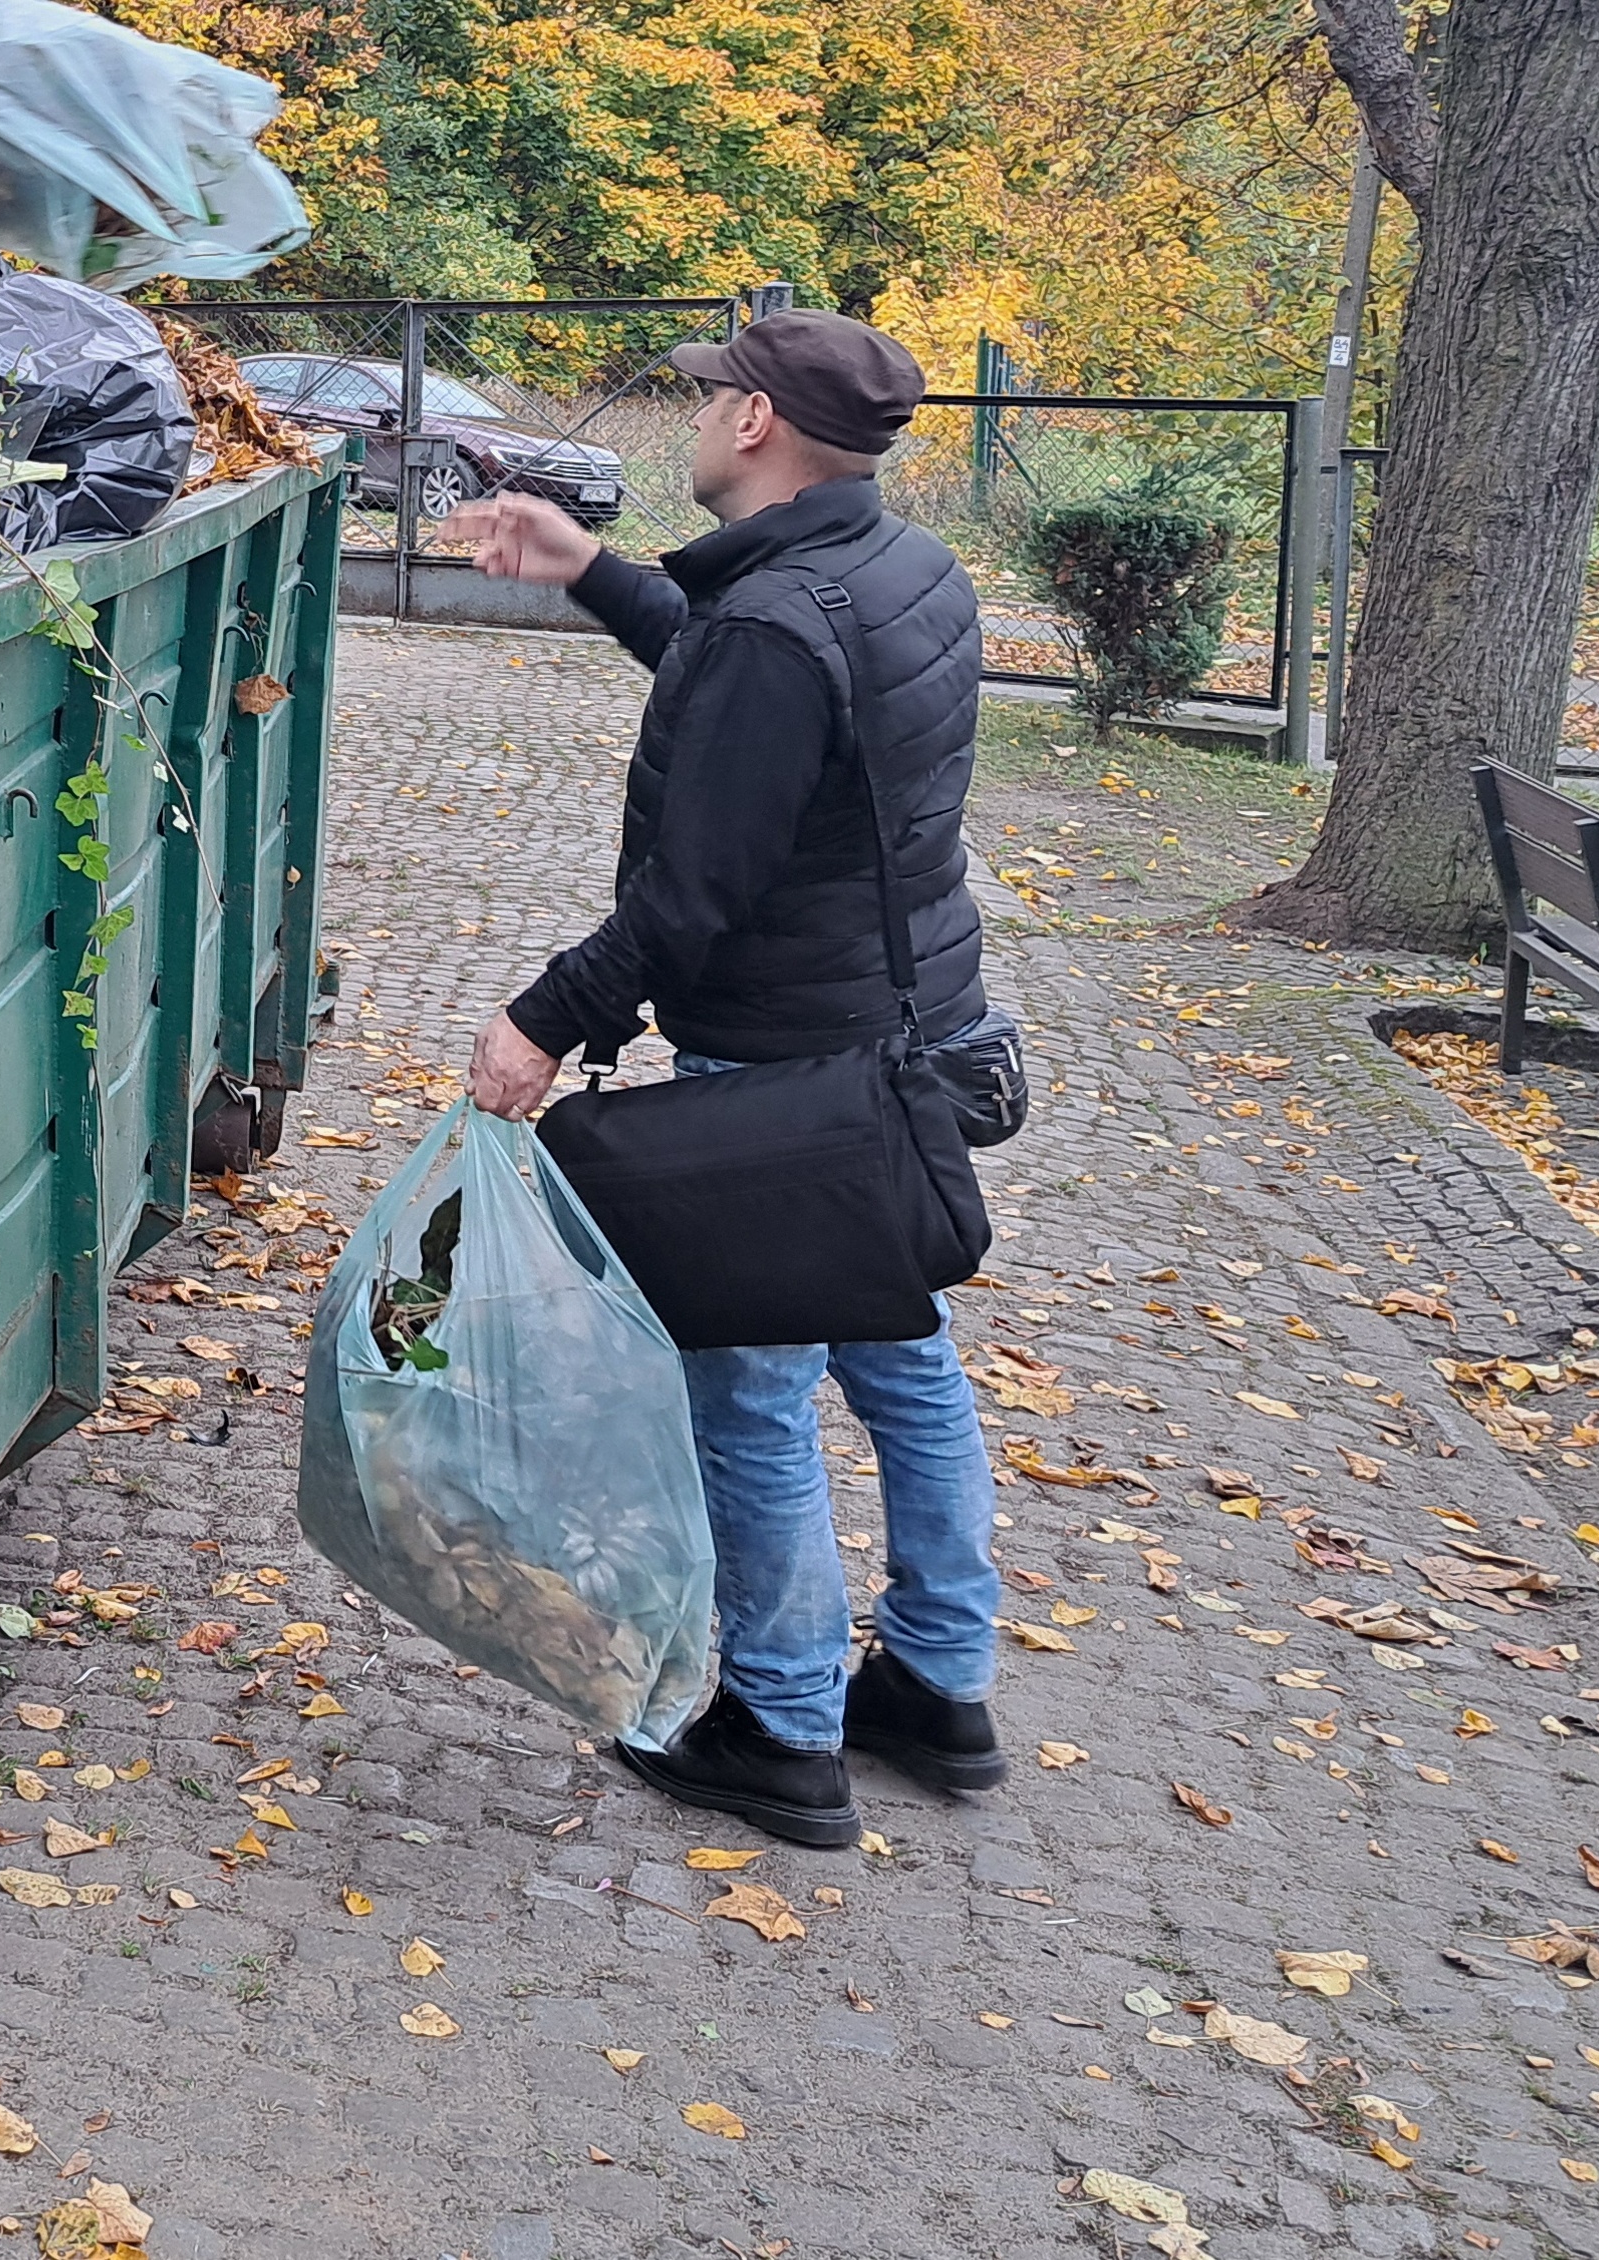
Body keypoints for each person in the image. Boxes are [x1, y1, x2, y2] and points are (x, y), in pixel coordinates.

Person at [444, 309, 1004, 1850]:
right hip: (910, 1033)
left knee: (751, 1395)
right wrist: (589, 569)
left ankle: (783, 1726)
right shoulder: (901, 569)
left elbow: (696, 891)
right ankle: (943, 1691)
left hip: (787, 1053)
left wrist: (539, 1021)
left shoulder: (776, 622)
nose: (689, 426)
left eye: (706, 404)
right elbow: (762, 700)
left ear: (754, 424)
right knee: (905, 1359)